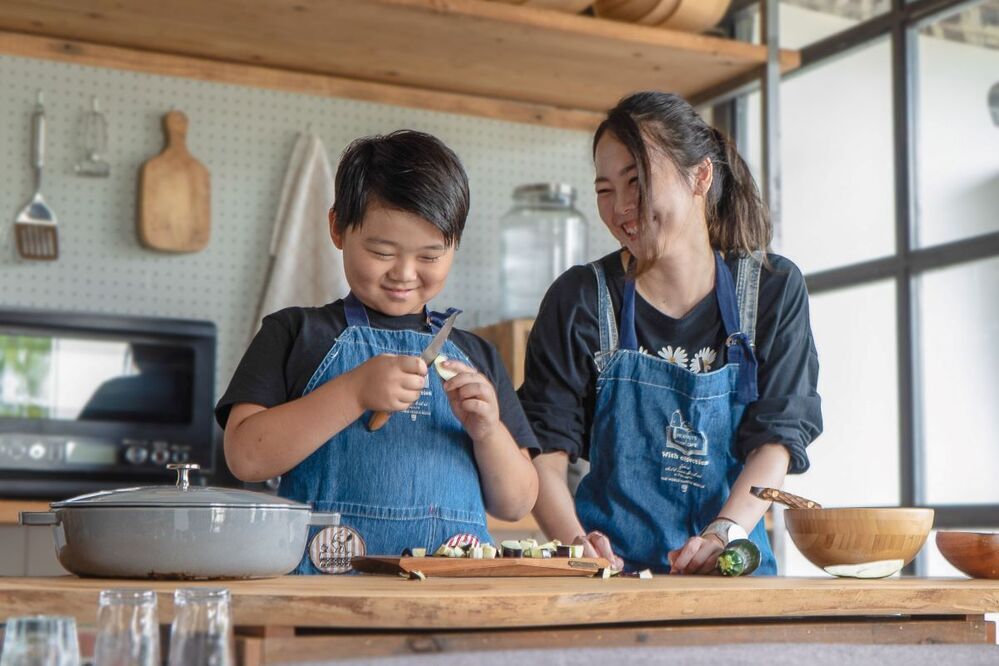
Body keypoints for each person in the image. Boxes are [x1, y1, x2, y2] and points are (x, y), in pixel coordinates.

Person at [519, 92, 822, 575]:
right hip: (609, 580)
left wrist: (723, 533)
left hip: (732, 574)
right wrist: (574, 545)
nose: (621, 208)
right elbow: (543, 451)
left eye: (637, 182)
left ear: (701, 176)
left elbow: (777, 439)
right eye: (605, 189)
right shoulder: (580, 299)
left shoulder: (771, 290)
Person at [217, 130, 539, 574]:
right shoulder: (294, 332)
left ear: (454, 245)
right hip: (327, 593)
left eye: (429, 256)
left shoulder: (476, 355)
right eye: (381, 251)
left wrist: (488, 431)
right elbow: (245, 458)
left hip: (451, 595)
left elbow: (517, 501)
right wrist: (352, 392)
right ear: (337, 228)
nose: (404, 274)